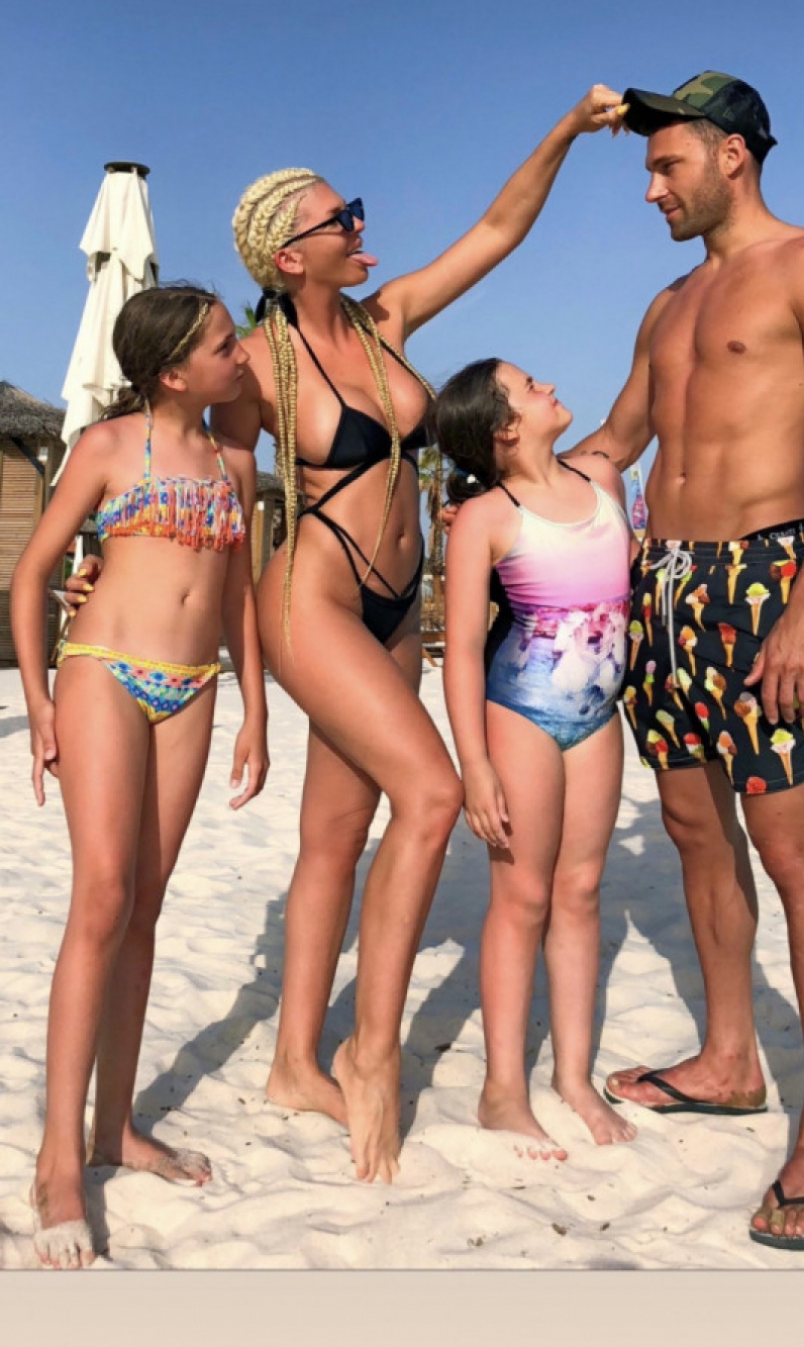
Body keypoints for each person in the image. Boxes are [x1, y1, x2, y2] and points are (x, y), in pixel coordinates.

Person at [67, 85, 626, 1184]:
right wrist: (124, 570)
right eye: (343, 217)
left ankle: (292, 1062)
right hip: (311, 598)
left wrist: (564, 131)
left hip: (398, 607)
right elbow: (217, 502)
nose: (363, 225)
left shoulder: (388, 321)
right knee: (430, 794)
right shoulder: (251, 367)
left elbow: (499, 231)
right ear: (290, 257)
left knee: (336, 834)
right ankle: (371, 1052)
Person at [572, 72, 804, 1250]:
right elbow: (617, 441)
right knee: (696, 830)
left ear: (732, 156)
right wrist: (506, 480)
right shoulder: (668, 303)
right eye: (649, 169)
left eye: (667, 166)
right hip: (661, 585)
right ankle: (727, 1056)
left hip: (765, 579)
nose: (652, 189)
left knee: (794, 850)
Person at [11, 286, 268, 1268]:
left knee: (148, 908)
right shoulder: (109, 446)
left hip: (194, 687)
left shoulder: (235, 463)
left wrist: (254, 709)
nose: (239, 353)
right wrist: (38, 699)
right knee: (102, 897)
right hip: (103, 673)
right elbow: (33, 571)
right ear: (172, 371)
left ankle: (114, 1126)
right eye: (223, 344)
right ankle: (56, 1161)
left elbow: (238, 596)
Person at [436, 359, 636, 1158]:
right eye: (528, 386)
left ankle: (574, 1078)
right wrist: (475, 767)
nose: (549, 385)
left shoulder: (603, 481)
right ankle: (502, 1091)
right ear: (504, 427)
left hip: (598, 719)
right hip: (521, 714)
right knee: (522, 900)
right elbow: (459, 651)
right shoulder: (486, 516)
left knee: (580, 891)